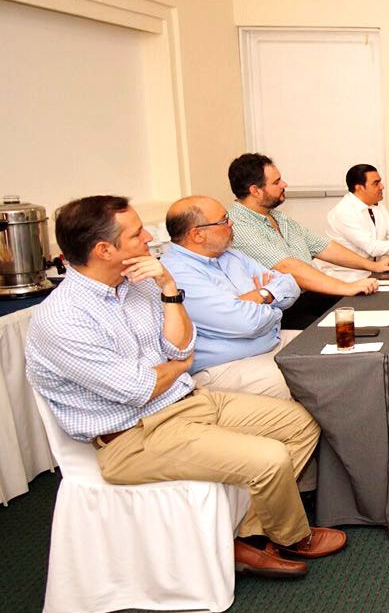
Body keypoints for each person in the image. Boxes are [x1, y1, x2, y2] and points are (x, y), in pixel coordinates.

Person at [25, 195, 345, 579]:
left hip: (185, 401)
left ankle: (251, 533)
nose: (149, 237)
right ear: (104, 250)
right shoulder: (63, 317)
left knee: (300, 423)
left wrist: (169, 286)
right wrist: (177, 366)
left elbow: (182, 347)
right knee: (271, 457)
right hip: (132, 437)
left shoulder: (140, 286)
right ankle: (292, 537)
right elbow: (140, 388)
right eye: (136, 234)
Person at [161, 196, 299, 401]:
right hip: (225, 366)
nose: (231, 223)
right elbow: (246, 323)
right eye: (224, 220)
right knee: (304, 381)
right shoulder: (176, 272)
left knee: (334, 349)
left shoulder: (231, 255)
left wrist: (262, 295)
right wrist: (272, 303)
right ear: (197, 234)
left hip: (272, 341)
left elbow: (290, 285)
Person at [227, 153, 387, 299]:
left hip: (308, 294)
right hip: (283, 308)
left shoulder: (278, 217)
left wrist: (374, 266)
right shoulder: (238, 225)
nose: (284, 184)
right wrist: (346, 287)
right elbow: (286, 267)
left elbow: (323, 246)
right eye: (276, 182)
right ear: (255, 191)